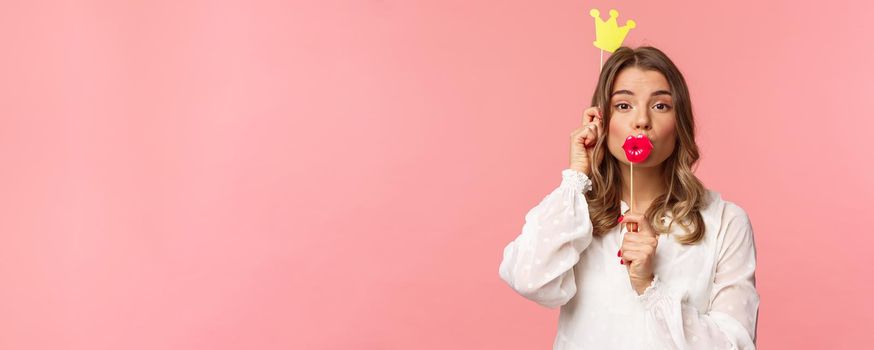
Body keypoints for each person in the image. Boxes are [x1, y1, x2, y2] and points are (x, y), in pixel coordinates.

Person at [498, 46, 760, 349]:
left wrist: (650, 287)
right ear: (600, 121)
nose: (642, 120)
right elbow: (529, 279)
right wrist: (576, 176)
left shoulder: (725, 221)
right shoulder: (575, 214)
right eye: (624, 106)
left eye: (661, 106)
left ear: (680, 124)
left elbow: (735, 344)